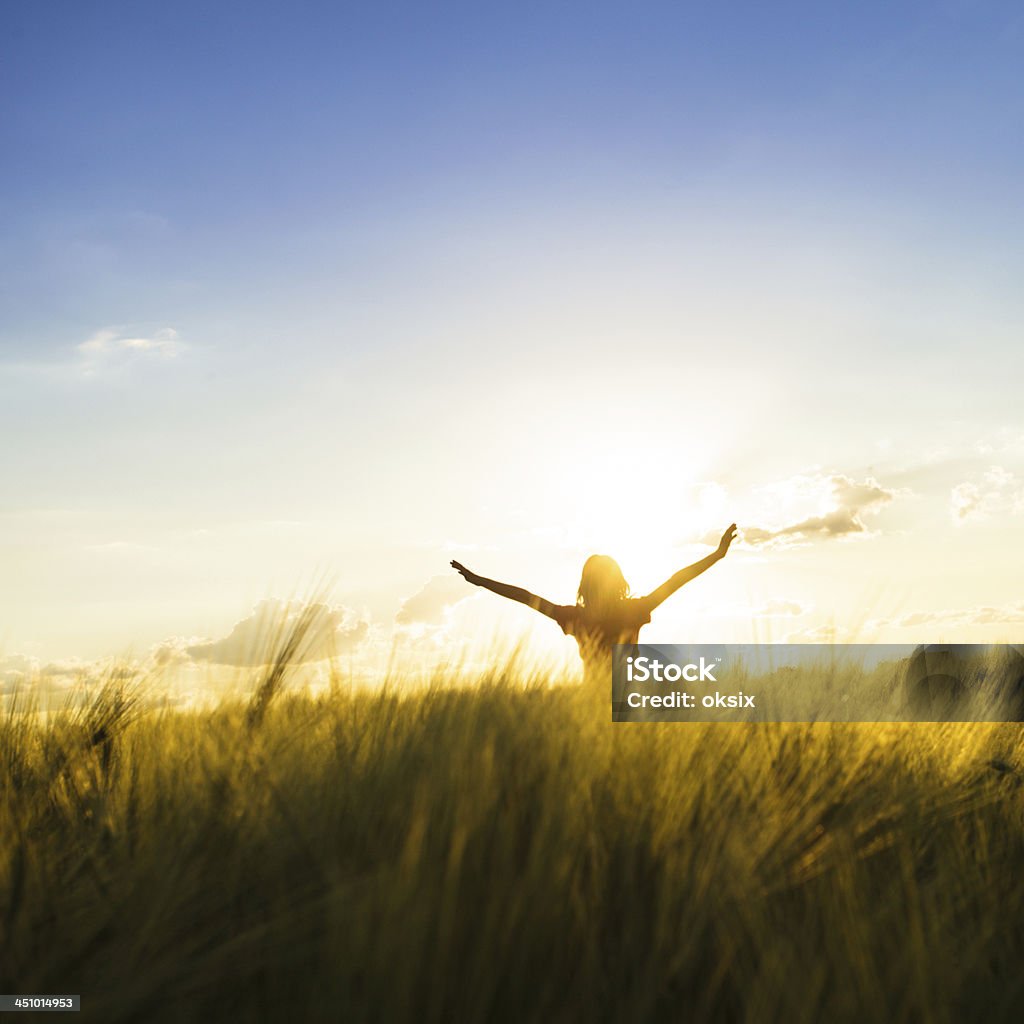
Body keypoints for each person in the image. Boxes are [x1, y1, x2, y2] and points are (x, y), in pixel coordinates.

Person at [450, 524, 738, 685]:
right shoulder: (632, 611)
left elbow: (525, 596)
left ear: (585, 586)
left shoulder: (576, 617)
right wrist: (717, 555)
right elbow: (677, 580)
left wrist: (480, 581)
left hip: (592, 706)